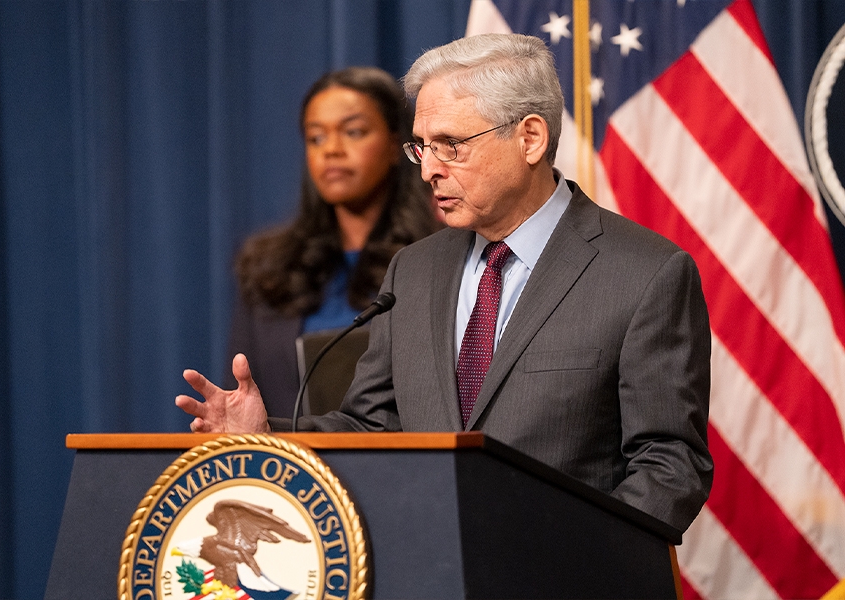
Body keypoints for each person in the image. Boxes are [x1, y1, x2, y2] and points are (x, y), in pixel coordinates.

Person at [177, 33, 713, 534]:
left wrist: (574, 557)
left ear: (529, 137)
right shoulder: (415, 269)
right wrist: (268, 437)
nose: (428, 168)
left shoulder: (645, 273)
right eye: (420, 147)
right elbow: (372, 427)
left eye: (450, 145)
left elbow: (669, 463)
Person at [224, 66, 440, 418]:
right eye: (316, 137)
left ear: (394, 144)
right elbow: (242, 391)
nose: (332, 150)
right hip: (287, 468)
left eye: (353, 132)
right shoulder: (266, 269)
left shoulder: (438, 259)